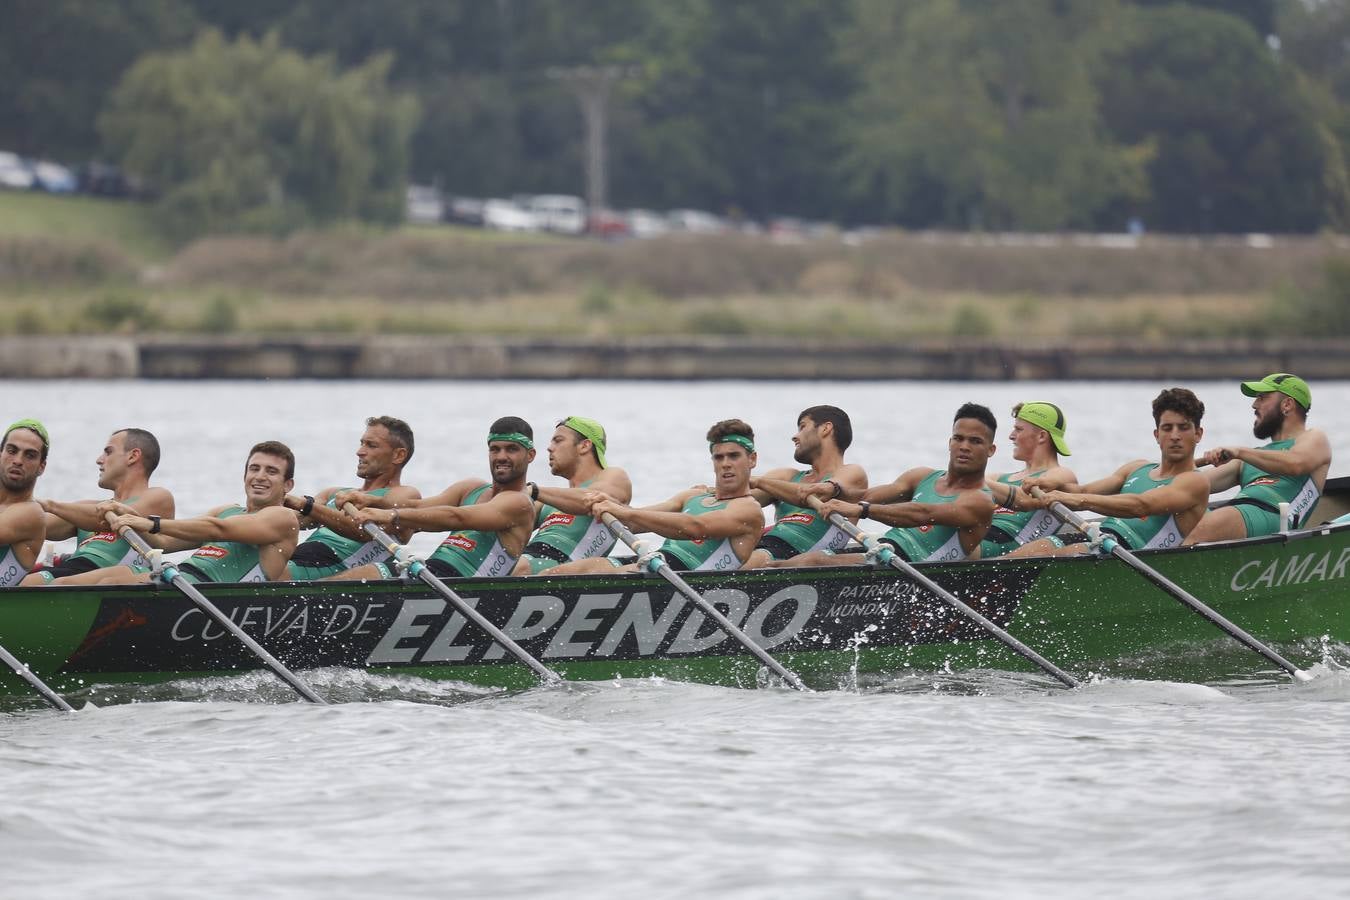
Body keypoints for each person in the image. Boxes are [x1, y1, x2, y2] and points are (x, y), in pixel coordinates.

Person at [544, 418, 766, 575]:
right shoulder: (693, 496)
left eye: (734, 456)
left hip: (685, 577)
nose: (725, 464)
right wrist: (610, 504)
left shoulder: (748, 509)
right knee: (558, 573)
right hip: (656, 563)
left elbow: (695, 526)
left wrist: (623, 511)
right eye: (719, 457)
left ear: (752, 460)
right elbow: (635, 521)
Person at [792, 403, 999, 565]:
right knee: (796, 561)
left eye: (975, 441)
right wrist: (832, 489)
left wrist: (861, 510)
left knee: (812, 562)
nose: (964, 447)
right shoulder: (921, 476)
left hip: (912, 564)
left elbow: (921, 513)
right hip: (883, 550)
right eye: (959, 438)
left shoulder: (980, 501)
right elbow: (864, 496)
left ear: (991, 450)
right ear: (949, 442)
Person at [1014, 388, 1210, 556]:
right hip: (1099, 538)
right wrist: (1045, 483)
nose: (1175, 436)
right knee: (1023, 556)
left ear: (1198, 434)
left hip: (1130, 553)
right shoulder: (1136, 468)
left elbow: (1141, 505)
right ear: (1157, 435)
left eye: (1183, 428)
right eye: (1167, 428)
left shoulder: (1195, 482)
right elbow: (1082, 491)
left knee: (1049, 561)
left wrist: (1074, 500)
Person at [341, 417, 537, 580]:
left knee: (370, 573)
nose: (501, 456)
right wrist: (373, 501)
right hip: (432, 574)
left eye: (511, 449)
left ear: (530, 455)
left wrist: (391, 515)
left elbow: (457, 517)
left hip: (463, 588)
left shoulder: (519, 503)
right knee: (362, 574)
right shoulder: (471, 488)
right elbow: (418, 506)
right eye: (495, 449)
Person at [93, 441, 300, 583]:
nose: (260, 476)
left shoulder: (283, 517)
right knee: (95, 581)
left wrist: (152, 523)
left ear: (287, 485)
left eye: (271, 472)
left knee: (111, 585)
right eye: (254, 469)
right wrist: (128, 514)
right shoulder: (227, 510)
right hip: (180, 578)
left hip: (214, 596)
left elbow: (218, 529)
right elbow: (163, 542)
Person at [1184, 374, 1332, 544]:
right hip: (1239, 514)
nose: (1254, 405)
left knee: (1215, 521)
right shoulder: (1249, 458)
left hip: (1277, 520)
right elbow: (1192, 485)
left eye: (1262, 398)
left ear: (1287, 404)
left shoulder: (1314, 439)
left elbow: (1295, 464)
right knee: (1178, 510)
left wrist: (1239, 451)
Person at [22, 427, 175, 586]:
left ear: (133, 456)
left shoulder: (158, 497)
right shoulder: (87, 507)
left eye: (108, 452)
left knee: (45, 583)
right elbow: (33, 524)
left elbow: (103, 518)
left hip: (110, 575)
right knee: (19, 582)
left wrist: (49, 505)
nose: (99, 460)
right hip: (73, 568)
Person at [283, 416, 421, 580]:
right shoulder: (334, 493)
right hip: (298, 559)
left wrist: (306, 505)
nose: (360, 451)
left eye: (371, 445)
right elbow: (294, 521)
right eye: (362, 443)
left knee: (270, 573)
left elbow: (360, 529)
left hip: (336, 568)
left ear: (398, 455)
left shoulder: (404, 494)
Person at [743, 405, 868, 568]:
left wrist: (759, 481)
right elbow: (737, 499)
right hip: (765, 545)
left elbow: (818, 493)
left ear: (825, 428)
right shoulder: (787, 476)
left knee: (756, 559)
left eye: (802, 427)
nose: (794, 436)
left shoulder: (852, 473)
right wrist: (705, 493)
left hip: (798, 553)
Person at [513, 416, 633, 575]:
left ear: (584, 445)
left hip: (563, 566)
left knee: (516, 568)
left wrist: (534, 491)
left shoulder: (614, 476)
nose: (549, 448)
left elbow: (589, 498)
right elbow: (507, 520)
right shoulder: (549, 501)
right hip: (529, 558)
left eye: (558, 441)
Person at [979, 402, 1076, 558]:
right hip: (979, 537)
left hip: (1006, 547)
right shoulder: (998, 478)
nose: (1011, 436)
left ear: (1042, 436)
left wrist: (971, 481)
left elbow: (1025, 497)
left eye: (1018, 429)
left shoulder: (1061, 474)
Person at [0, 419, 51, 587]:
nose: (18, 460)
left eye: (30, 455)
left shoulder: (32, 513)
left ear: (41, 467)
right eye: (12, 450)